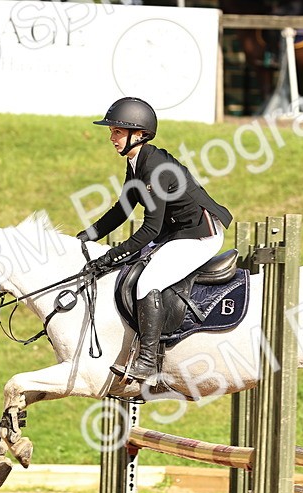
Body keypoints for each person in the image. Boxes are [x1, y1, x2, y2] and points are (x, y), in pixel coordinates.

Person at [77, 97, 234, 385]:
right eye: (111, 132)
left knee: (148, 281)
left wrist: (111, 255)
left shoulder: (155, 168)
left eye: (117, 132)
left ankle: (148, 362)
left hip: (200, 234)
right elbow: (123, 209)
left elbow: (150, 228)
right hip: (178, 232)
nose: (111, 138)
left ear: (139, 134)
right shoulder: (137, 162)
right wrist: (85, 237)